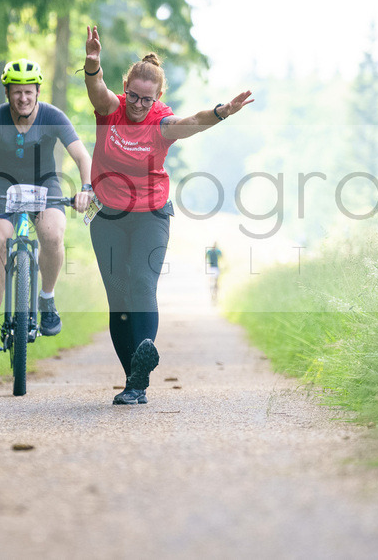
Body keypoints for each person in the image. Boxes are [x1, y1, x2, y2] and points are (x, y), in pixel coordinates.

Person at [82, 26, 254, 405]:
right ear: (125, 88)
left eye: (147, 99)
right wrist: (93, 66)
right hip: (107, 215)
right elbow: (98, 92)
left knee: (142, 285)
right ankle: (133, 375)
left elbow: (191, 122)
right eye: (133, 96)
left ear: (158, 97)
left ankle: (136, 383)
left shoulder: (161, 123)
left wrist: (223, 111)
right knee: (119, 297)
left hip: (151, 214)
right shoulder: (111, 111)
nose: (138, 105)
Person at [0, 58, 93, 349]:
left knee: (53, 235)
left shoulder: (53, 116)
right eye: (17, 92)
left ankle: (47, 299)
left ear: (38, 91)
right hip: (2, 186)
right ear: (7, 93)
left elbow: (81, 156)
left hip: (45, 185)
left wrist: (86, 189)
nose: (23, 97)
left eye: (29, 91)